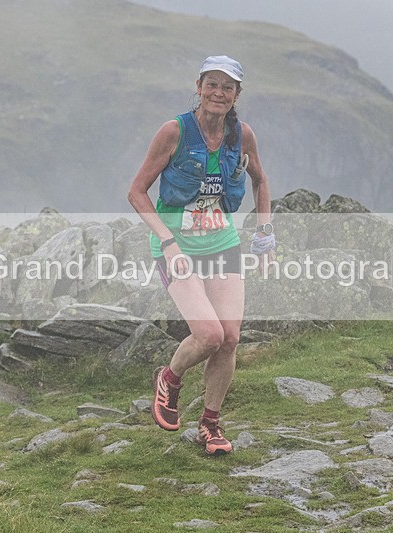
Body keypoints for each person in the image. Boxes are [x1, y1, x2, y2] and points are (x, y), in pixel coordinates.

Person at [127, 55, 275, 456]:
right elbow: (137, 192)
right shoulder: (173, 131)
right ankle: (170, 379)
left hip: (222, 244)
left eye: (228, 87)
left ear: (237, 94)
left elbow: (261, 182)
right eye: (212, 84)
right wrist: (167, 239)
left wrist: (264, 234)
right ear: (198, 86)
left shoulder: (241, 135)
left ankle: (210, 424)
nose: (219, 93)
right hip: (176, 248)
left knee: (229, 339)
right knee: (208, 335)